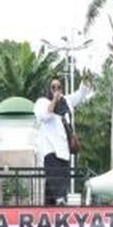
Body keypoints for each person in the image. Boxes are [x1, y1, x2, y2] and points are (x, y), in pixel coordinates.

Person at [35, 76, 93, 205]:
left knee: (56, 185)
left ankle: (51, 208)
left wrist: (85, 81)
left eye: (59, 87)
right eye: (53, 87)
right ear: (48, 89)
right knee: (55, 182)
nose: (56, 90)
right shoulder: (42, 102)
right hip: (50, 150)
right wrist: (54, 99)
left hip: (64, 151)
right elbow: (45, 114)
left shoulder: (66, 101)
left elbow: (80, 95)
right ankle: (59, 202)